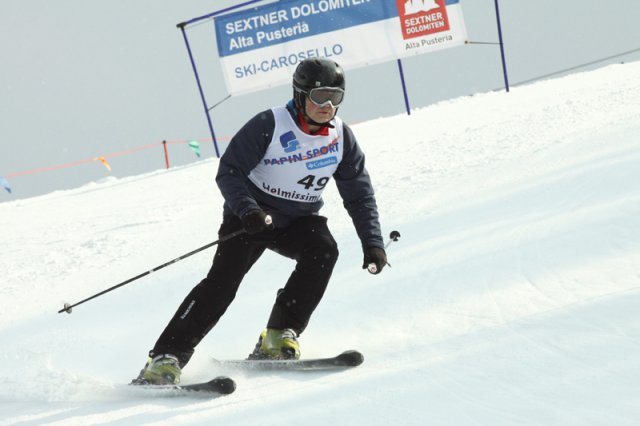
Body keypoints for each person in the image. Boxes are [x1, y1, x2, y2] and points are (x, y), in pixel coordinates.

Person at [133, 58, 387, 385]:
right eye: (320, 96)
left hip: (298, 220)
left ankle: (278, 336)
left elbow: (359, 195)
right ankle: (164, 358)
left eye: (335, 97)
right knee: (222, 285)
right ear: (300, 95)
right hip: (252, 219)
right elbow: (229, 172)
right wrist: (247, 210)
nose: (327, 105)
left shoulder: (340, 137)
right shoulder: (270, 124)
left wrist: (373, 243)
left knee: (323, 250)